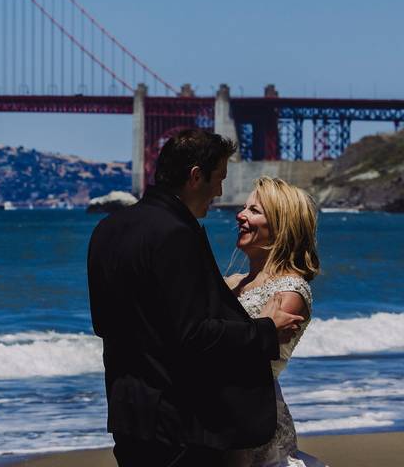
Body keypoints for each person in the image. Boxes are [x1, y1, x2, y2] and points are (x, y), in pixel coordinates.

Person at [88, 129, 304, 466]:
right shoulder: (175, 233)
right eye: (218, 179)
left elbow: (104, 324)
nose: (219, 192)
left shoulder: (106, 230)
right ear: (195, 177)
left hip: (127, 414)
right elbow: (193, 334)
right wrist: (265, 330)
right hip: (177, 423)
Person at [225, 177, 326, 467]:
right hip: (225, 418)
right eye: (244, 208)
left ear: (282, 226)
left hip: (252, 423)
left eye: (254, 210)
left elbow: (251, 360)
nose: (240, 215)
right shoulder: (231, 283)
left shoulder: (290, 291)